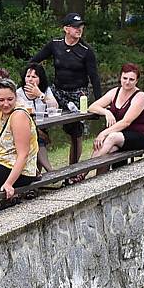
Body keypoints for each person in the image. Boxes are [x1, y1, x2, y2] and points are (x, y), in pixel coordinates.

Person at [30, 12, 102, 171]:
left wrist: (99, 103)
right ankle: (37, 173)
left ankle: (73, 171)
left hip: (77, 93)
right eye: (76, 26)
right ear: (66, 29)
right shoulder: (55, 45)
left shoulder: (86, 51)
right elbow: (34, 62)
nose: (79, 29)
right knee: (39, 124)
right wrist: (35, 79)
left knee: (75, 133)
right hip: (56, 91)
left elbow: (94, 78)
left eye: (81, 26)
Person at [87, 63, 144, 174]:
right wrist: (106, 112)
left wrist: (103, 133)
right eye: (125, 78)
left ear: (136, 81)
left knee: (111, 137)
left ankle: (82, 173)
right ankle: (98, 181)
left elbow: (126, 122)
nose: (127, 82)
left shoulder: (140, 96)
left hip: (139, 136)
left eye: (131, 79)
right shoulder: (114, 92)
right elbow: (92, 107)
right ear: (120, 77)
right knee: (106, 150)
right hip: (120, 135)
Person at [17, 63, 58, 173]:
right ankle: (51, 171)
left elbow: (55, 106)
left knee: (38, 138)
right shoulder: (19, 92)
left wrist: (40, 94)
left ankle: (40, 174)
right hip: (26, 129)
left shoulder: (45, 90)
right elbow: (23, 110)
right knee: (37, 139)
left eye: (34, 77)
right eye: (28, 76)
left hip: (42, 127)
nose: (30, 80)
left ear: (40, 79)